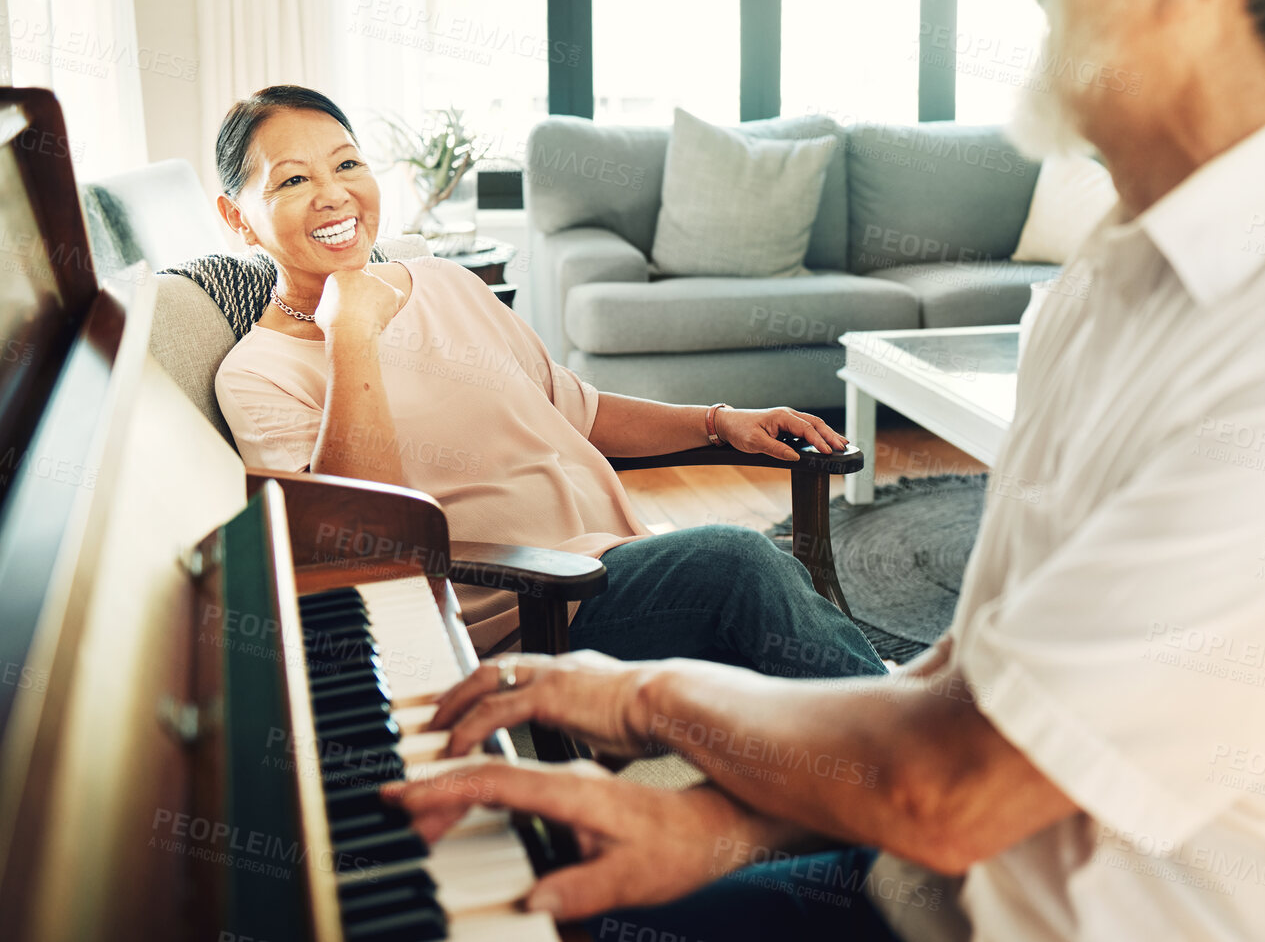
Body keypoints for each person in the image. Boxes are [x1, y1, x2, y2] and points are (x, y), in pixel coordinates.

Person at [386, 0, 1265, 939]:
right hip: (933, 888)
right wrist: (715, 825)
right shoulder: (1117, 274)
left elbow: (952, 785)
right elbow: (965, 679)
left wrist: (647, 696)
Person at [212, 84, 884, 681]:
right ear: (237, 217)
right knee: (740, 562)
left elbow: (577, 410)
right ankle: (914, 757)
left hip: (622, 566)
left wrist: (718, 419)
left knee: (765, 603)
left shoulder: (447, 282)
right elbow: (361, 544)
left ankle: (881, 745)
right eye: (292, 180)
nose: (334, 193)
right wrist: (351, 333)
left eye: (347, 163)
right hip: (531, 622)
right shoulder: (255, 375)